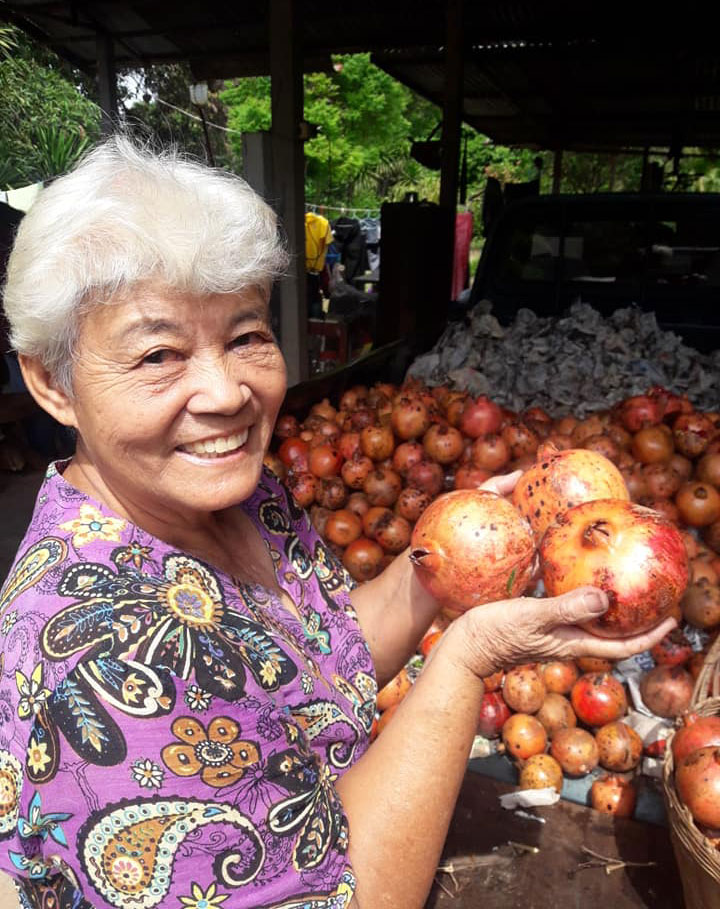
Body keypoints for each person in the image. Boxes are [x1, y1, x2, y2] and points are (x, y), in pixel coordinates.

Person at [0, 137, 675, 909]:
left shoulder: (233, 496)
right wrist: (467, 656)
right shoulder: (106, 655)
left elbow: (325, 656)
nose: (226, 393)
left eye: (247, 335)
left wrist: (463, 541)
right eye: (158, 354)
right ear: (52, 381)